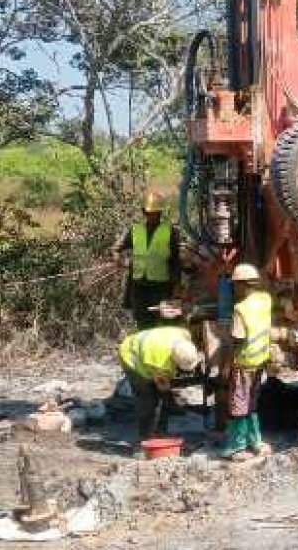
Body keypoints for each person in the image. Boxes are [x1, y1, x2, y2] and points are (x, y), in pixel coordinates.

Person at [220, 264, 273, 462]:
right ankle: (256, 442)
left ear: (242, 285)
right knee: (252, 403)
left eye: (235, 285)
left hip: (243, 365)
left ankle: (236, 447)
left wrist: (226, 365)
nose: (234, 289)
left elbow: (238, 341)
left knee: (238, 405)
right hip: (260, 362)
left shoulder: (240, 310)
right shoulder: (265, 300)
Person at [118, 326, 201, 452]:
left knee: (161, 395)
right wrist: (169, 398)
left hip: (145, 345)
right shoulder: (159, 363)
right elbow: (162, 386)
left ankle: (161, 428)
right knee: (147, 397)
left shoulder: (183, 335)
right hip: (130, 357)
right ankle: (146, 438)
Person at [112, 191, 181, 329]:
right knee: (143, 325)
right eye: (149, 212)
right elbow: (116, 249)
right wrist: (120, 261)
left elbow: (176, 260)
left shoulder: (170, 231)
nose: (152, 216)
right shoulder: (134, 230)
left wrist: (177, 286)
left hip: (161, 288)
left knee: (164, 325)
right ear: (144, 212)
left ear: (161, 213)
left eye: (156, 212)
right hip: (139, 288)